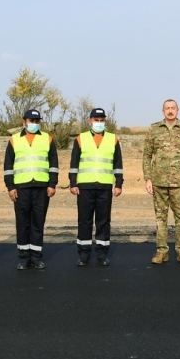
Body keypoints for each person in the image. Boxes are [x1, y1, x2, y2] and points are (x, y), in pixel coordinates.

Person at [143, 99, 180, 265]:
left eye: (173, 108)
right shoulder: (154, 129)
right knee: (160, 219)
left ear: (177, 110)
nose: (170, 111)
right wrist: (148, 178)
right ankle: (162, 252)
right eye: (167, 108)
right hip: (158, 182)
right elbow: (147, 155)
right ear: (163, 111)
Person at [4, 109, 58, 270]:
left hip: (41, 188)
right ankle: (23, 258)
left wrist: (52, 184)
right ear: (24, 121)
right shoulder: (14, 140)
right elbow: (8, 166)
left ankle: (36, 257)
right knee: (22, 223)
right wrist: (10, 187)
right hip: (21, 188)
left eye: (36, 121)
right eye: (31, 120)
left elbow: (53, 164)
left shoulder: (47, 139)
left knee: (37, 223)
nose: (33, 123)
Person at [69, 108, 124, 267]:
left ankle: (102, 254)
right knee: (84, 221)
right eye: (96, 119)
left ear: (105, 121)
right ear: (90, 121)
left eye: (101, 120)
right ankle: (84, 255)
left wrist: (118, 184)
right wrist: (73, 183)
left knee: (103, 221)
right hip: (85, 187)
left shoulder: (113, 139)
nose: (99, 123)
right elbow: (74, 164)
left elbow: (118, 164)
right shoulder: (81, 138)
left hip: (105, 186)